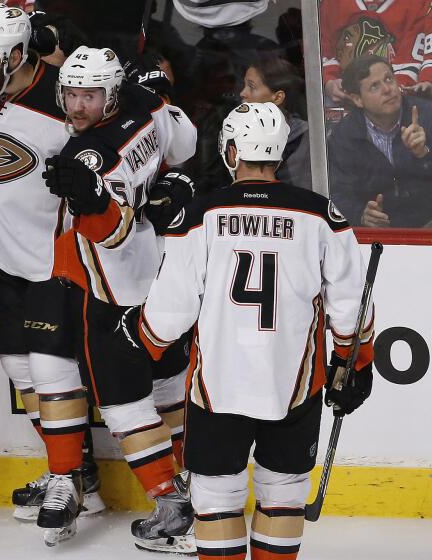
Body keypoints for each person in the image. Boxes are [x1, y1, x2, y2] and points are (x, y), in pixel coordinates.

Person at [120, 102, 375, 560]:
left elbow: (168, 315)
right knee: (283, 493)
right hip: (293, 386)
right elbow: (350, 306)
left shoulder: (200, 215)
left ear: (232, 150)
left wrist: (141, 334)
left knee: (216, 498)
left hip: (217, 386)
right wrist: (354, 364)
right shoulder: (322, 216)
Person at [0, 6, 106, 545]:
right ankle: (75, 469)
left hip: (56, 262)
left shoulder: (61, 107)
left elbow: (123, 123)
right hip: (7, 262)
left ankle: (68, 482)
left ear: (18, 56)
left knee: (50, 370)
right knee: (18, 367)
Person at [44, 46, 198, 553]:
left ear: (109, 93)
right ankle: (194, 483)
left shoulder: (85, 156)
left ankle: (169, 502)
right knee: (171, 388)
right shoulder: (147, 105)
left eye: (89, 95)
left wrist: (90, 200)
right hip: (160, 278)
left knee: (123, 402)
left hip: (108, 290)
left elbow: (112, 233)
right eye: (71, 92)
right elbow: (188, 147)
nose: (77, 105)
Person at [328, 56, 432, 228]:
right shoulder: (344, 135)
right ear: (357, 99)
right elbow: (337, 193)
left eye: (389, 79)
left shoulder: (427, 116)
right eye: (374, 86)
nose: (388, 89)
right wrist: (360, 214)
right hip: (376, 234)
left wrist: (424, 155)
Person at [319, 0, 430, 104]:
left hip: (397, 99)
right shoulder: (331, 4)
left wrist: (395, 89)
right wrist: (329, 81)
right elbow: (323, 49)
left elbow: (409, 60)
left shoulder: (417, 4)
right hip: (344, 99)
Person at [239, 56, 311, 190]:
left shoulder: (304, 140)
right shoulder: (235, 131)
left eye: (251, 87)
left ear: (277, 98)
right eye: (244, 85)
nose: (242, 93)